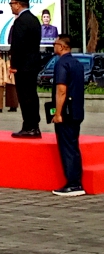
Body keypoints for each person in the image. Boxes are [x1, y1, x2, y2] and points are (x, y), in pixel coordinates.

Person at [50, 35, 85, 196]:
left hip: (66, 112)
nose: (53, 46)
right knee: (74, 147)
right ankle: (77, 180)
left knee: (67, 148)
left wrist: (57, 113)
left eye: (55, 43)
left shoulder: (61, 64)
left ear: (62, 46)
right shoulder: (77, 63)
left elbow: (61, 90)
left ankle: (73, 184)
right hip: (77, 110)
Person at [8, 0, 43, 138]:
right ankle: (33, 125)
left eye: (12, 4)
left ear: (18, 4)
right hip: (32, 64)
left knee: (25, 96)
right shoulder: (34, 19)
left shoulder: (21, 21)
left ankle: (29, 126)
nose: (11, 7)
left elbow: (18, 45)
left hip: (23, 66)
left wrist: (13, 64)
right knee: (31, 95)